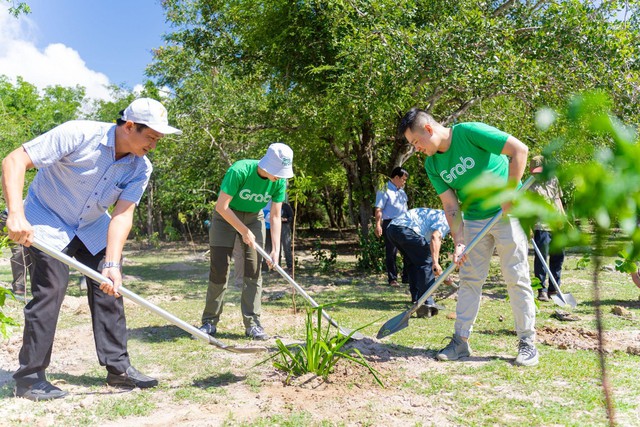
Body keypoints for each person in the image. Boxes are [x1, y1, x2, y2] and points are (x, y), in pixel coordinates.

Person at [2, 98, 182, 400]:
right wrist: (16, 214)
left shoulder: (141, 167)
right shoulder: (78, 134)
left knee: (110, 288)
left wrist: (112, 263)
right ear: (128, 126)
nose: (154, 144)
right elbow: (14, 160)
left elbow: (123, 214)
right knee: (51, 290)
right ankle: (30, 379)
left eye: (158, 139)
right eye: (151, 136)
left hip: (92, 224)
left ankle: (119, 370)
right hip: (47, 217)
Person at [399, 107, 538, 367]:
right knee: (469, 280)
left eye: (416, 142)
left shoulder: (469, 132)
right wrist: (460, 241)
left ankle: (527, 342)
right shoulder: (433, 164)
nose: (416, 148)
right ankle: (460, 342)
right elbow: (451, 206)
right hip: (474, 220)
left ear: (429, 129)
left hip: (507, 214)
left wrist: (510, 192)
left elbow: (519, 150)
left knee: (515, 277)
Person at [198, 143, 293, 341]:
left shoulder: (278, 182)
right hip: (225, 218)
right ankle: (209, 322)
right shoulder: (239, 170)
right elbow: (222, 206)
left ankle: (253, 324)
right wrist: (243, 231)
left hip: (253, 218)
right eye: (278, 171)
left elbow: (275, 216)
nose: (281, 176)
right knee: (219, 268)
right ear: (267, 165)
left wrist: (275, 250)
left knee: (253, 270)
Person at [385, 208, 450, 317]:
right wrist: (435, 263)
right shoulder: (449, 218)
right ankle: (426, 302)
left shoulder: (439, 216)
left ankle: (416, 298)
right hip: (405, 229)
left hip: (392, 229)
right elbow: (435, 237)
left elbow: (428, 244)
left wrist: (443, 275)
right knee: (426, 262)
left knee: (413, 262)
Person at [529, 155, 566, 302]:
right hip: (541, 225)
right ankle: (541, 290)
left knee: (558, 257)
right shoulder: (529, 185)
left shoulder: (554, 180)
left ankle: (554, 288)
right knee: (541, 258)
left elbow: (559, 201)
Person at [374, 167, 409, 287]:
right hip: (390, 223)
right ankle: (392, 279)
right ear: (396, 177)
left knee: (408, 251)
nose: (404, 182)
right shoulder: (384, 190)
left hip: (404, 223)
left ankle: (406, 277)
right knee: (391, 252)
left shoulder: (402, 192)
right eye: (403, 179)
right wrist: (378, 225)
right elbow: (378, 209)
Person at [279, 201, 294, 272]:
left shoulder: (286, 206)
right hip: (275, 227)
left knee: (286, 247)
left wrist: (284, 219)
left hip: (285, 227)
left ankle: (290, 266)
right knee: (277, 247)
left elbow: (291, 217)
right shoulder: (273, 205)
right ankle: (277, 266)